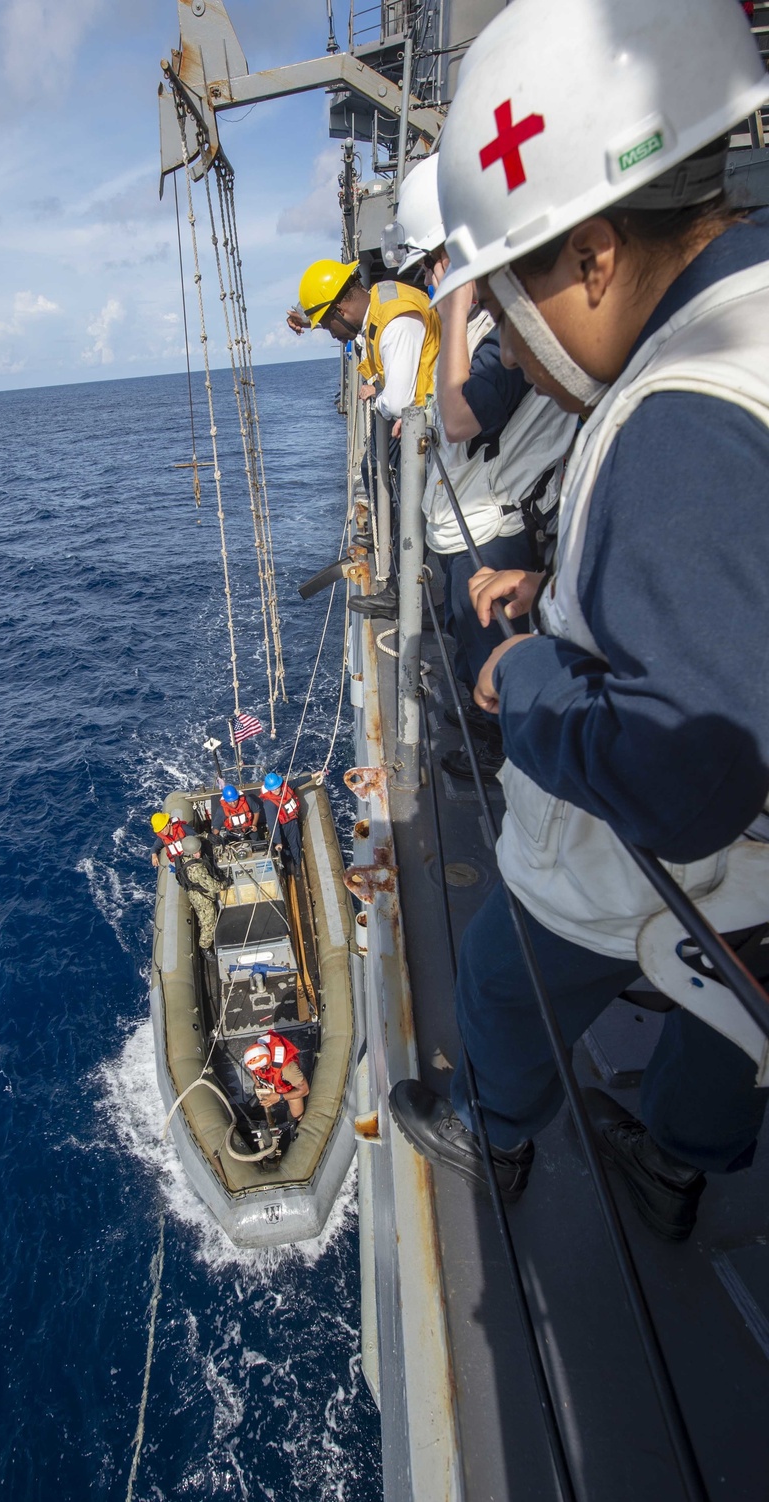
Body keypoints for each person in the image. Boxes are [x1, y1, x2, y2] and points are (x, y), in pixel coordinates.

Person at [389, 0, 769, 1241]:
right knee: (732, 1012)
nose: (500, 336)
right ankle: (678, 1163)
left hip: (652, 856)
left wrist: (540, 679)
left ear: (596, 255)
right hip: (754, 882)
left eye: (504, 295)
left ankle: (491, 1140)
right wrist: (556, 576)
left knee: (501, 986)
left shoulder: (677, 415)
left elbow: (685, 770)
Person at [396, 152, 578, 784]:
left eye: (430, 268)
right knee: (472, 640)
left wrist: (454, 308)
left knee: (496, 650)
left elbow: (461, 419)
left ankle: (506, 761)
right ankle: (492, 740)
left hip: (495, 526)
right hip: (464, 522)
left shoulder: (496, 328)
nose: (427, 282)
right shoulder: (480, 325)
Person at [295, 256, 442, 618]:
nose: (332, 335)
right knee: (373, 469)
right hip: (412, 421)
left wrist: (377, 394)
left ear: (342, 308)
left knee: (404, 498)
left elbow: (401, 399)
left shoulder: (394, 323)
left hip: (425, 427)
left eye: (328, 326)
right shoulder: (379, 305)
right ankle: (398, 575)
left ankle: (404, 591)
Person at [176, 835, 227, 960]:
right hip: (201, 898)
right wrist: (224, 883)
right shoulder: (196, 869)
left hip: (195, 893)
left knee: (204, 917)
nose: (198, 853)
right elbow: (213, 886)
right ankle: (205, 946)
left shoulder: (185, 856)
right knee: (209, 921)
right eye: (196, 852)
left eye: (198, 850)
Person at [242, 1032, 310, 1121]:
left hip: (288, 1088)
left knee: (297, 1115)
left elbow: (305, 1090)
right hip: (270, 1084)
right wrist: (258, 1084)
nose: (259, 1071)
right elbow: (254, 1072)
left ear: (267, 1063)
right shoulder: (256, 1054)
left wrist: (279, 1097)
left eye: (261, 1069)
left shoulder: (289, 1070)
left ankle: (298, 1120)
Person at [260, 772, 302, 873]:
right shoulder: (269, 804)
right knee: (283, 849)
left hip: (291, 823)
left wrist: (313, 776)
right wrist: (277, 841)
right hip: (280, 827)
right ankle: (286, 867)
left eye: (277, 787)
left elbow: (297, 782)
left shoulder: (286, 787)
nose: (276, 790)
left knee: (295, 845)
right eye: (273, 789)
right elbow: (273, 824)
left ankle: (297, 865)